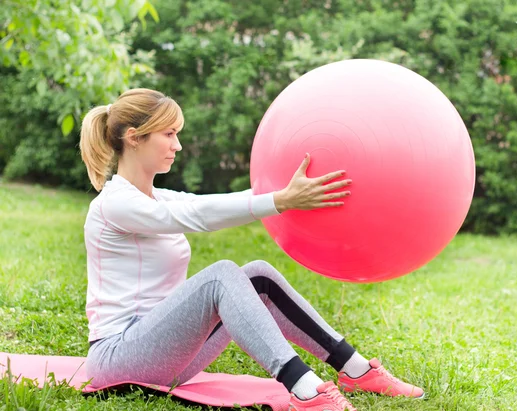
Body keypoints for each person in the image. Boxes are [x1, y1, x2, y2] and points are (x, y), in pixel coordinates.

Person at [79, 88, 424, 411]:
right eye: (168, 134)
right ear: (134, 138)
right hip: (118, 358)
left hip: (167, 356)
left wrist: (285, 192)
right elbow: (197, 215)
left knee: (258, 275)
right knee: (221, 277)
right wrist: (279, 201)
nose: (178, 145)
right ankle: (305, 389)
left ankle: (357, 370)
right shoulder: (115, 205)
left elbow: (213, 202)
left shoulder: (158, 198)